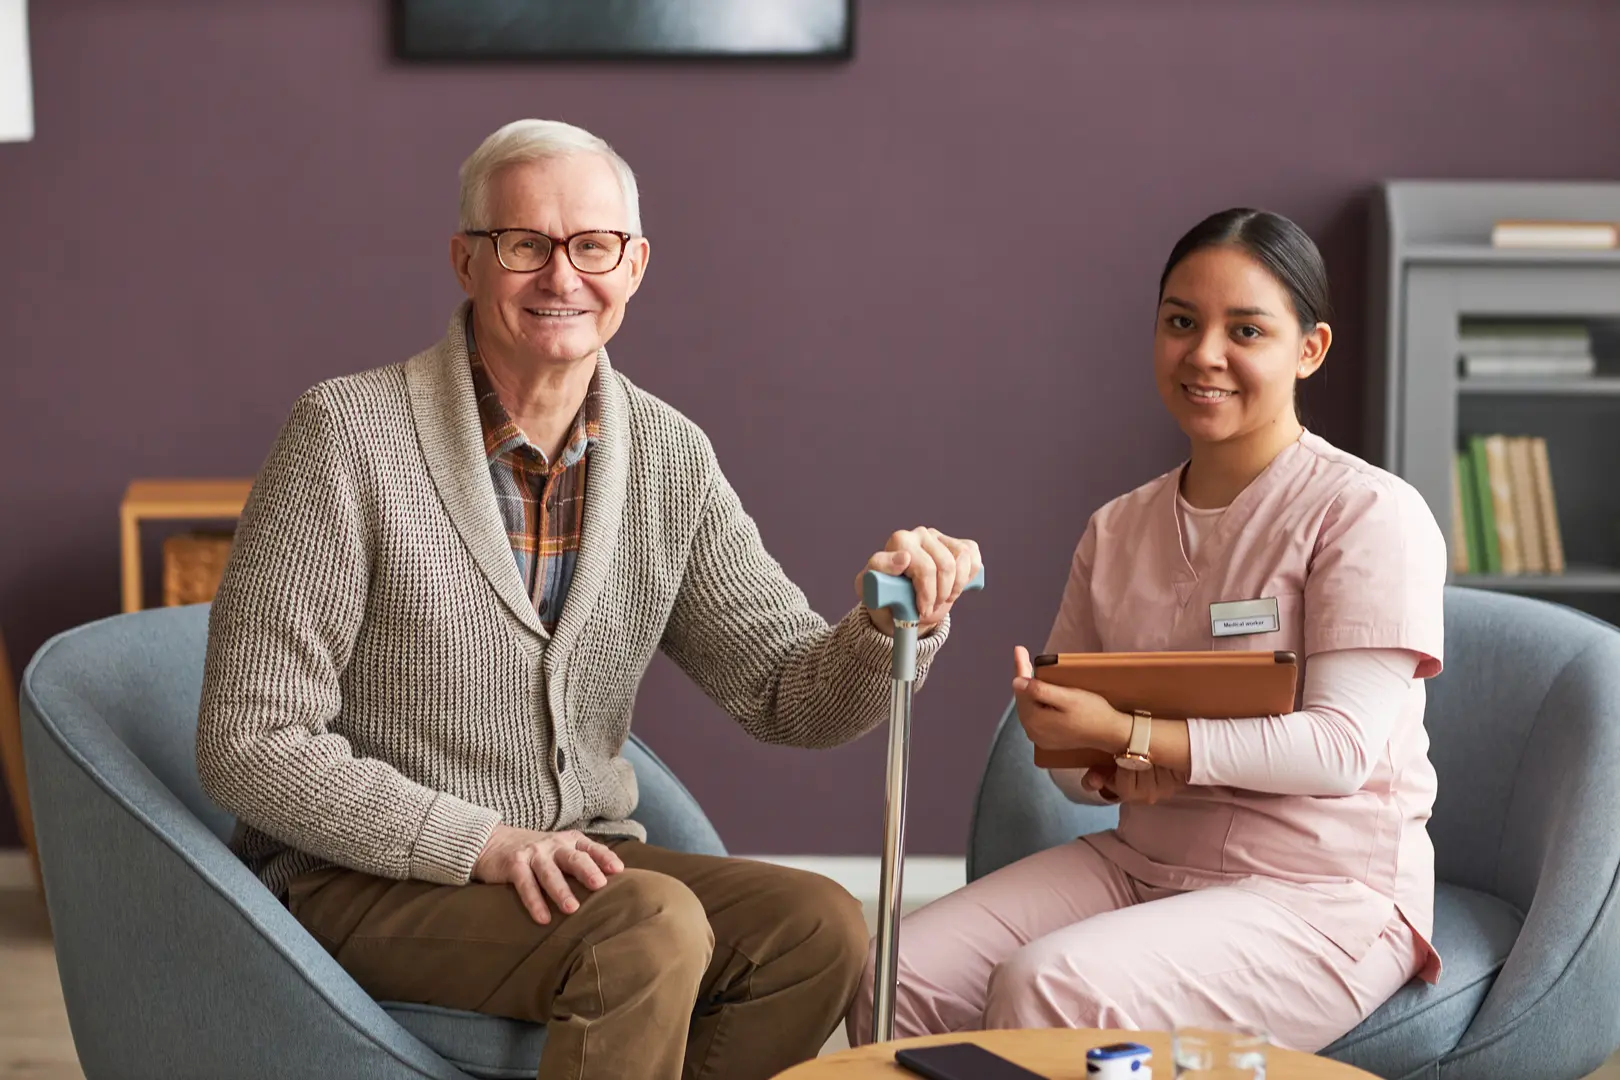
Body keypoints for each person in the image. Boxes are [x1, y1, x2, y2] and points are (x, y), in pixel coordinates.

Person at [195, 118, 983, 1080]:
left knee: (816, 927)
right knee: (645, 929)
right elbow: (249, 741)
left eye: (593, 246)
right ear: (466, 260)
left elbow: (788, 695)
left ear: (635, 263)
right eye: (524, 244)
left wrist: (888, 626)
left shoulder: (667, 457)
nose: (562, 277)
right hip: (360, 877)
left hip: (575, 865)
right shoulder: (346, 436)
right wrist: (477, 842)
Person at [847, 208, 1445, 1052]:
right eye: (1180, 323)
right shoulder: (1117, 528)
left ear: (1309, 349)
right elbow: (1074, 774)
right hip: (1144, 865)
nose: (1204, 354)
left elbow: (1341, 749)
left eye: (1246, 329)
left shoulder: (1368, 513)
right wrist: (1084, 753)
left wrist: (1140, 734)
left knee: (1048, 987)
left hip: (1320, 892)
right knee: (894, 970)